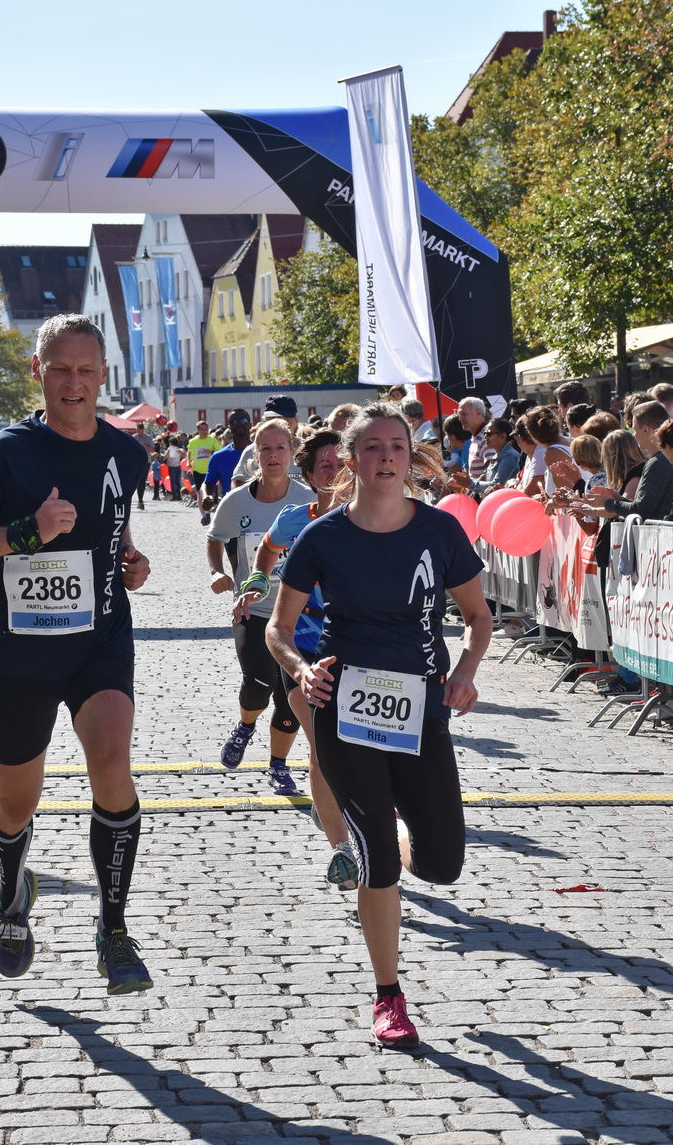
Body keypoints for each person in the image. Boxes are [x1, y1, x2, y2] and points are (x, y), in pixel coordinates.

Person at [0, 313, 156, 992]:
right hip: (20, 655)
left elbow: (113, 527)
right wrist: (25, 531)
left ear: (103, 375)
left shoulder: (126, 453)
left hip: (100, 641)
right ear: (38, 371)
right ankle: (12, 891)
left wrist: (129, 559)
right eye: (60, 369)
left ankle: (113, 928)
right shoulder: (7, 453)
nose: (74, 383)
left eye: (86, 370)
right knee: (16, 804)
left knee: (112, 766)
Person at [267, 402, 492, 1048]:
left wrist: (466, 672)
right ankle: (388, 995)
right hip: (346, 708)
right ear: (351, 458)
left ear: (410, 456)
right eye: (372, 448)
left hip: (421, 708)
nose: (387, 457)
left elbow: (478, 617)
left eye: (397, 445)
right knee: (379, 860)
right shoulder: (322, 537)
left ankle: (390, 837)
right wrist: (303, 670)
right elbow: (279, 630)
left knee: (443, 862)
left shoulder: (439, 532)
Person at [231, 429, 358, 885]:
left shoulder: (372, 521)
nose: (335, 471)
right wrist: (256, 585)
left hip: (363, 652)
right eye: (325, 465)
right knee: (323, 743)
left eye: (341, 462)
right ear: (308, 474)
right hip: (303, 651)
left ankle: (368, 820)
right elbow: (266, 549)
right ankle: (342, 849)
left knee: (367, 749)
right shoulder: (294, 520)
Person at [206, 419, 316, 777]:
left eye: (280, 448)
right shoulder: (236, 502)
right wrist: (217, 571)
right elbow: (215, 537)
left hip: (299, 614)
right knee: (257, 682)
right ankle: (246, 726)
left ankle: (278, 765)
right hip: (252, 609)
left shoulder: (308, 500)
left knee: (290, 699)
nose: (273, 455)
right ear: (255, 455)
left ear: (292, 452)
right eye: (265, 449)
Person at [187, 420, 223, 525]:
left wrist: (211, 452)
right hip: (197, 470)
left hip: (209, 470)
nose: (204, 431)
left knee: (209, 494)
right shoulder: (193, 441)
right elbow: (189, 451)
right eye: (202, 429)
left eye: (206, 429)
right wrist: (189, 461)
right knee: (199, 493)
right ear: (198, 430)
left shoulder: (212, 440)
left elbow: (220, 452)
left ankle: (207, 512)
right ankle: (204, 515)